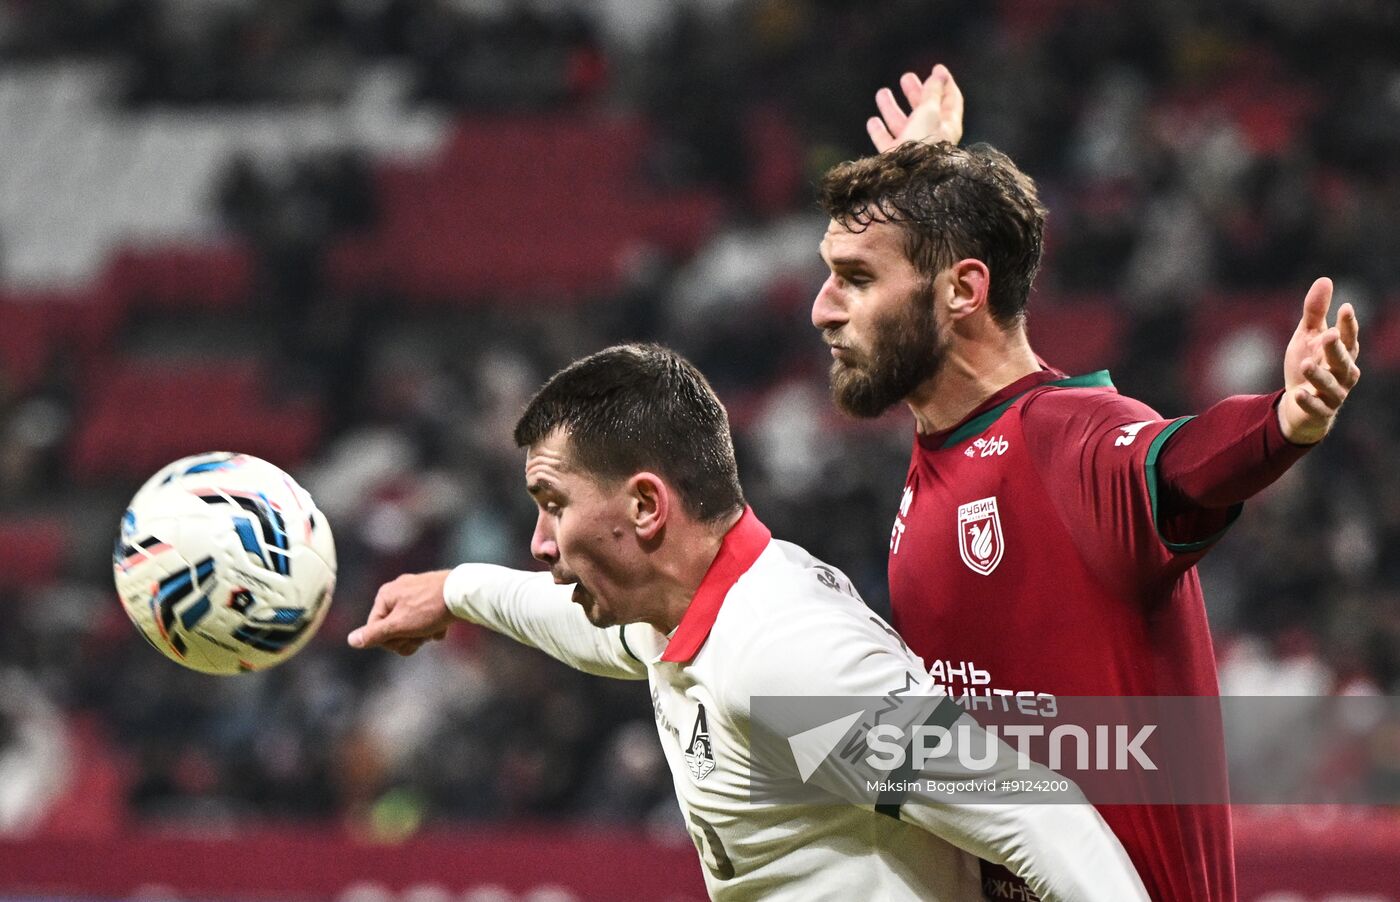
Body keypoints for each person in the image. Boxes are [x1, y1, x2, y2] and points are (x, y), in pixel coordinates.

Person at [811, 66, 1362, 901]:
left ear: (963, 289)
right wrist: (925, 182)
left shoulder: (1064, 439)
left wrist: (1285, 421)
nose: (822, 307)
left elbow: (1184, 461)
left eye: (856, 278)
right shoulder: (945, 447)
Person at [347, 343, 1148, 901]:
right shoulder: (681, 608)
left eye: (554, 505)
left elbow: (1034, 814)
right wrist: (454, 590)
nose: (540, 541)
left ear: (645, 506)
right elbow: (589, 627)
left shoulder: (787, 658)